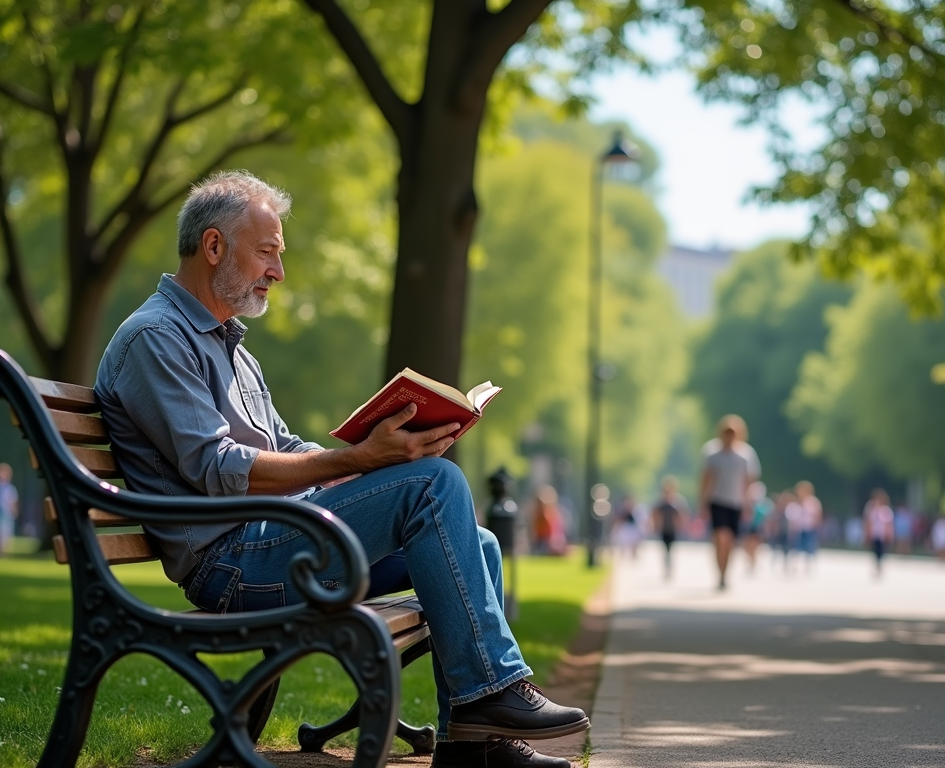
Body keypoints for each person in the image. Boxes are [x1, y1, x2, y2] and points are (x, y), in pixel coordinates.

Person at [94, 171, 585, 768]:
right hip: (233, 565)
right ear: (214, 246)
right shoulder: (155, 338)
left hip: (277, 539)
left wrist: (375, 454)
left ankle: (472, 747)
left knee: (475, 543)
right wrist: (360, 460)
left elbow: (282, 446)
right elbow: (218, 468)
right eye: (267, 253)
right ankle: (493, 693)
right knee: (435, 487)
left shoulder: (231, 348)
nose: (278, 271)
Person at [699, 415, 761, 589]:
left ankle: (725, 573)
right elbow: (706, 479)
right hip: (717, 500)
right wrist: (703, 503)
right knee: (720, 537)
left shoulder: (746, 454)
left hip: (736, 503)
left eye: (733, 433)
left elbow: (749, 482)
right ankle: (719, 572)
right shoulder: (712, 452)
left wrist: (749, 504)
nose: (730, 436)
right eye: (727, 432)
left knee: (730, 541)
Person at [649, 475, 690, 579]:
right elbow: (655, 514)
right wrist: (654, 526)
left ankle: (669, 566)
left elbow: (682, 515)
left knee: (670, 549)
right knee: (665, 548)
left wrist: (682, 525)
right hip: (663, 529)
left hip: (673, 529)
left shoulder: (678, 501)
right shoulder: (660, 502)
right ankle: (667, 566)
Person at [742, 481, 773, 572]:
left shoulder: (764, 504)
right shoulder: (748, 503)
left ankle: (753, 562)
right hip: (748, 528)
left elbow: (767, 518)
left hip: (758, 528)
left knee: (754, 546)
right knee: (746, 546)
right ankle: (752, 560)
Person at [863, 489, 895, 577]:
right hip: (875, 534)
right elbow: (868, 522)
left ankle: (879, 565)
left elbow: (889, 524)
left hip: (883, 535)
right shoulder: (871, 509)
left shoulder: (886, 510)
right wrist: (867, 532)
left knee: (882, 551)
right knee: (876, 551)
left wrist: (889, 534)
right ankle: (877, 565)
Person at [530, 484, 567, 557]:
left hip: (550, 541)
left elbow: (554, 533)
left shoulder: (553, 515)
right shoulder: (538, 516)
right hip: (542, 542)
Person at [794, 480, 822, 571]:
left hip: (810, 528)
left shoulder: (813, 502)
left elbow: (818, 515)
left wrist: (817, 526)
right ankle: (797, 565)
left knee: (810, 547)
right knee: (798, 547)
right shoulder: (798, 502)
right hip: (800, 528)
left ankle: (809, 565)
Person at [0, 462, 18, 555]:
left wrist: (14, 511)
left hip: (6, 515)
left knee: (5, 534)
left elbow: (12, 502)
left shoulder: (10, 489)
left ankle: (3, 552)